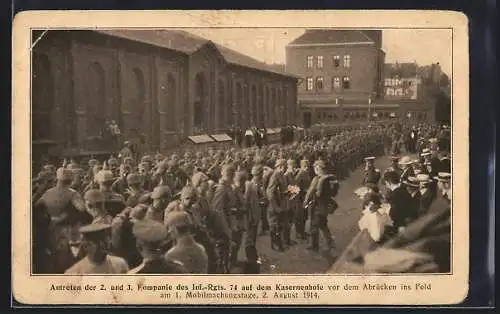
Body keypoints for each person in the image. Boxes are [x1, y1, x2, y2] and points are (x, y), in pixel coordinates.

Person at [65, 223, 129, 274]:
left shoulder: (120, 264)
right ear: (86, 246)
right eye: (97, 242)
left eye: (105, 240)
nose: (103, 245)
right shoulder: (75, 273)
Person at [303, 160, 336, 252]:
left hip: (316, 206)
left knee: (314, 225)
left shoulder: (317, 179)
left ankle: (314, 245)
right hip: (325, 205)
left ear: (317, 169)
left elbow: (310, 192)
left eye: (315, 168)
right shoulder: (329, 178)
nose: (314, 170)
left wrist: (305, 202)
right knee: (323, 224)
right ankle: (330, 242)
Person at [266, 159, 288, 251]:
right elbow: (270, 192)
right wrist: (275, 207)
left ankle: (279, 243)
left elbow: (284, 189)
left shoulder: (281, 174)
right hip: (274, 205)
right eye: (285, 166)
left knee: (280, 225)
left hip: (281, 203)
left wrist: (295, 190)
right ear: (280, 166)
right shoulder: (275, 175)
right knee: (274, 226)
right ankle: (274, 244)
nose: (286, 168)